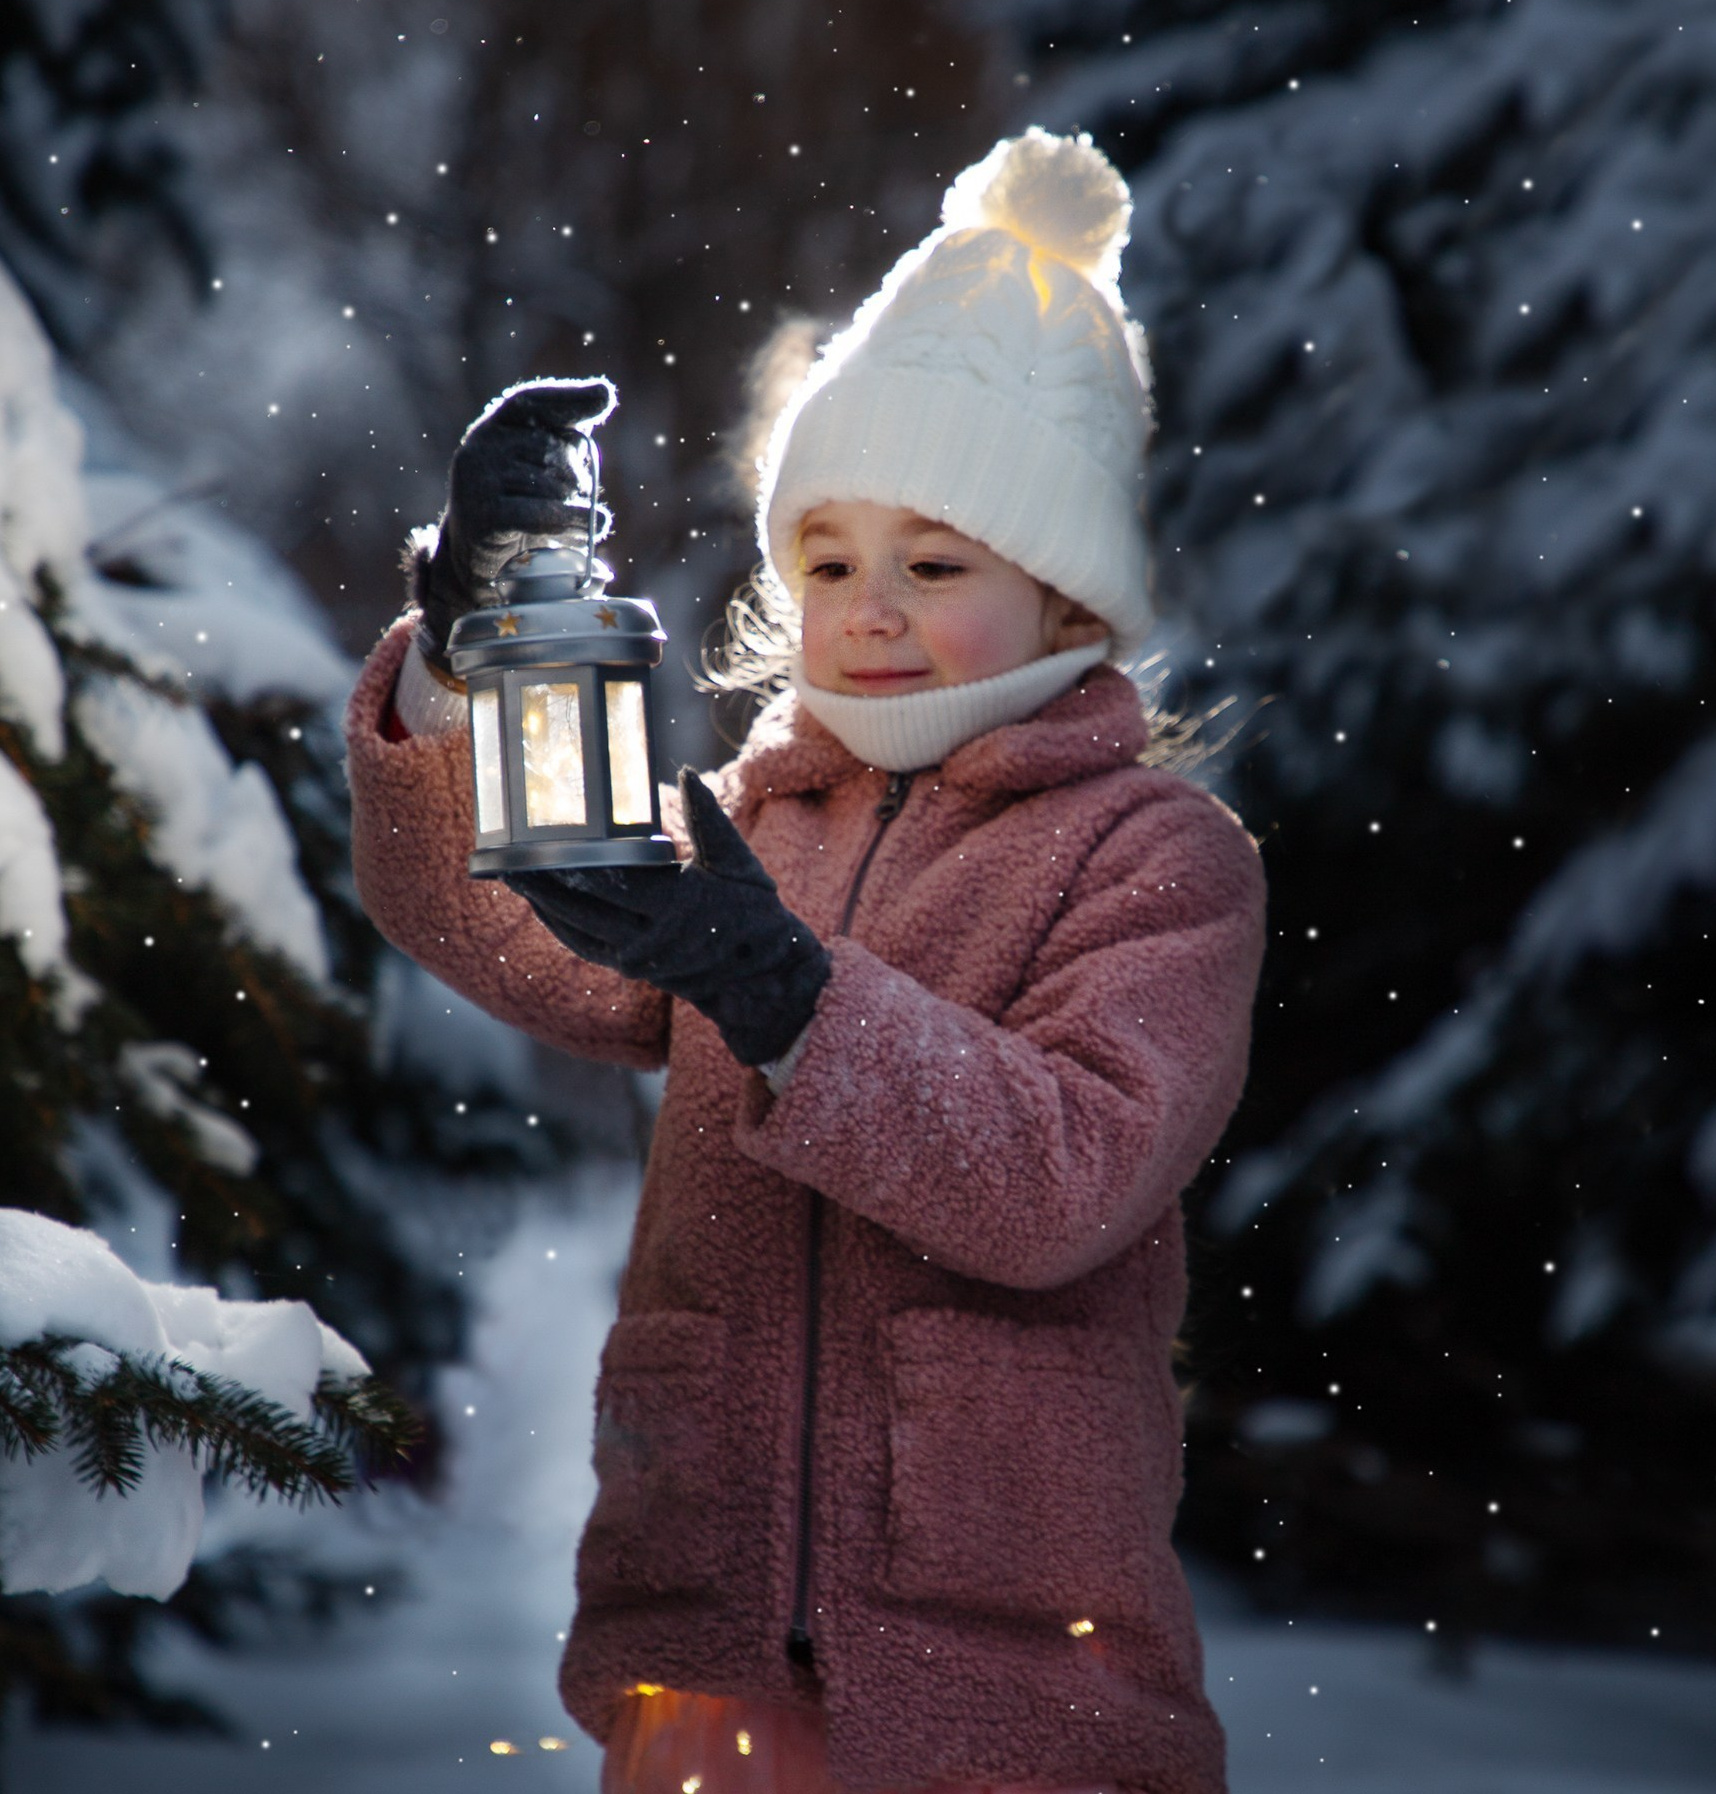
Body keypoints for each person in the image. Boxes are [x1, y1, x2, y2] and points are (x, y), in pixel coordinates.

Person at [344, 127, 1265, 1794]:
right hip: (704, 1650)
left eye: (935, 563)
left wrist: (791, 999)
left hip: (1003, 1678)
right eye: (828, 560)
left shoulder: (1152, 860)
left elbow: (1066, 1175)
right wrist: (473, 643)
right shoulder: (757, 830)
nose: (871, 607)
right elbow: (493, 924)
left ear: (1066, 603)